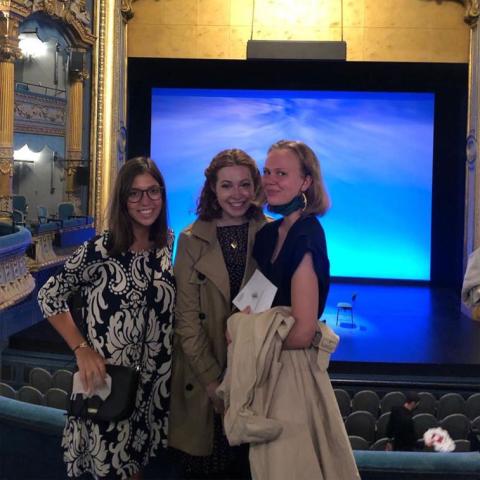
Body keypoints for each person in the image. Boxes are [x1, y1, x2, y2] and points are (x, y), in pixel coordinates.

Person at [37, 157, 175, 480]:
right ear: (122, 199)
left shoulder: (166, 242)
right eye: (134, 193)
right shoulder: (103, 248)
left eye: (153, 191)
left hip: (152, 387)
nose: (145, 201)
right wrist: (81, 348)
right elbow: (49, 296)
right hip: (112, 384)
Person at [250, 139, 359, 479]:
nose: (270, 180)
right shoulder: (268, 234)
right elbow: (255, 302)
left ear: (306, 181)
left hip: (290, 377)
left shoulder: (307, 236)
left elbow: (302, 331)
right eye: (267, 171)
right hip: (264, 369)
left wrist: (250, 341)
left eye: (281, 173)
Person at [168, 148, 266, 478]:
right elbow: (186, 319)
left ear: (255, 186)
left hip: (253, 374)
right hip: (203, 376)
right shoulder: (190, 239)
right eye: (227, 185)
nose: (237, 194)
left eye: (244, 184)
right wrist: (213, 382)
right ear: (213, 188)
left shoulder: (272, 233)